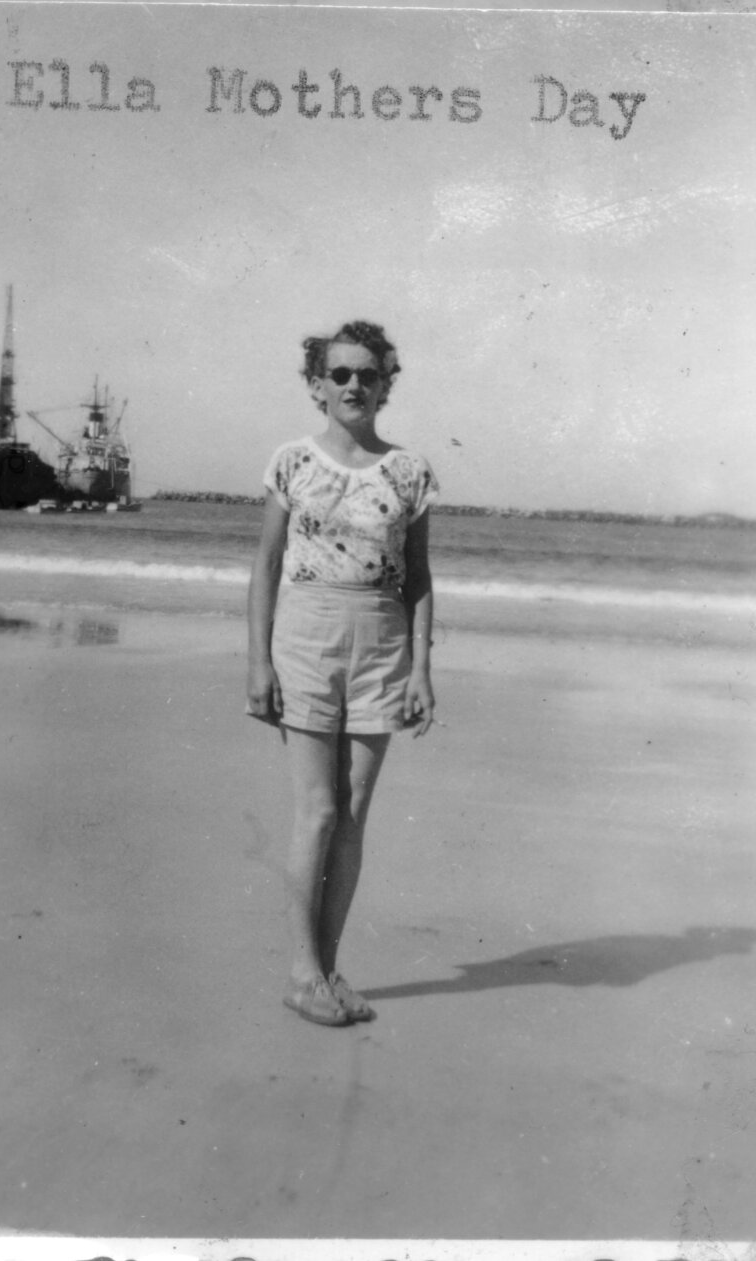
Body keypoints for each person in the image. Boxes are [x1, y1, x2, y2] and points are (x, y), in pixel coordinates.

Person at [246, 320, 439, 1027]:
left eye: (368, 374)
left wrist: (421, 669)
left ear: (386, 385)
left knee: (353, 814)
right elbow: (267, 565)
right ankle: (302, 974)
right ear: (317, 386)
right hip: (306, 637)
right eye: (340, 374)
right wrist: (258, 661)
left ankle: (325, 973)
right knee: (318, 811)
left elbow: (418, 577)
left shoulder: (409, 471)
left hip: (382, 643)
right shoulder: (292, 462)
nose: (354, 384)